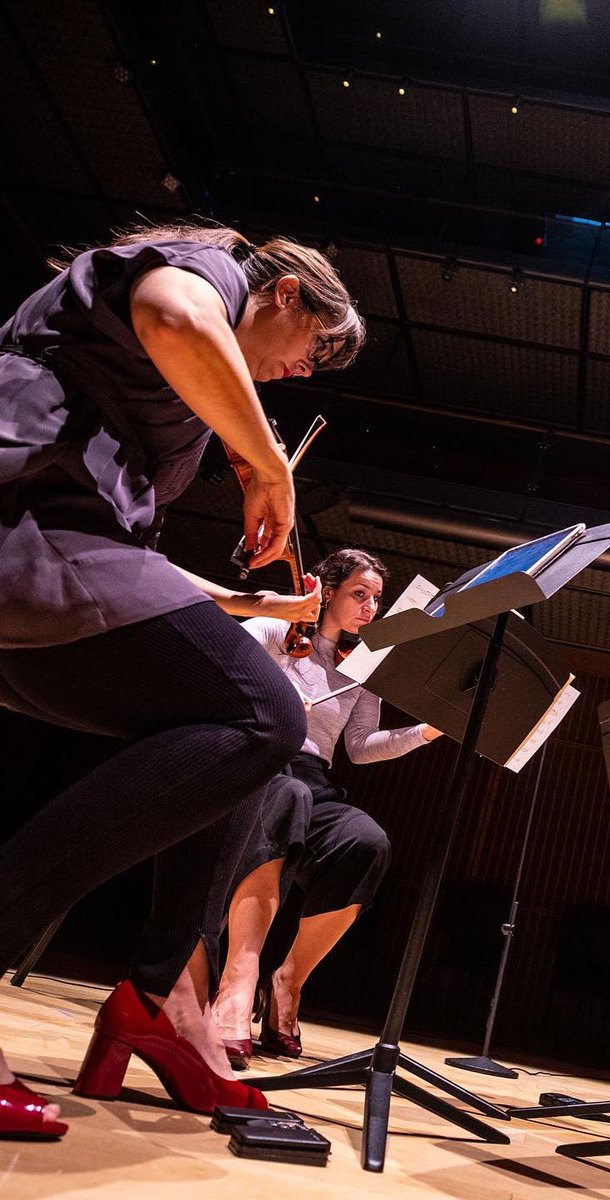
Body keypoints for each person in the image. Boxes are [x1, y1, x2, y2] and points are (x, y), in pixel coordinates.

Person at [0, 220, 364, 1132]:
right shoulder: (212, 264)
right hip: (20, 531)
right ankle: (147, 991)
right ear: (283, 293)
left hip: (53, 557)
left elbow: (127, 559)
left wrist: (262, 612)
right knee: (266, 718)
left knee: (246, 736)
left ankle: (164, 997)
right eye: (312, 346)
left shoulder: (179, 426)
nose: (303, 371)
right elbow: (173, 315)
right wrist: (268, 463)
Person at [212, 547, 442, 1068]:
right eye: (359, 594)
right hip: (256, 763)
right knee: (286, 797)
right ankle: (236, 983)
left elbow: (360, 746)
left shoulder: (361, 668)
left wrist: (426, 732)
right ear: (326, 590)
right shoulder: (278, 632)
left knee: (366, 842)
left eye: (377, 599)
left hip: (314, 777)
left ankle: (288, 980)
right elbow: (225, 675)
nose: (370, 607)